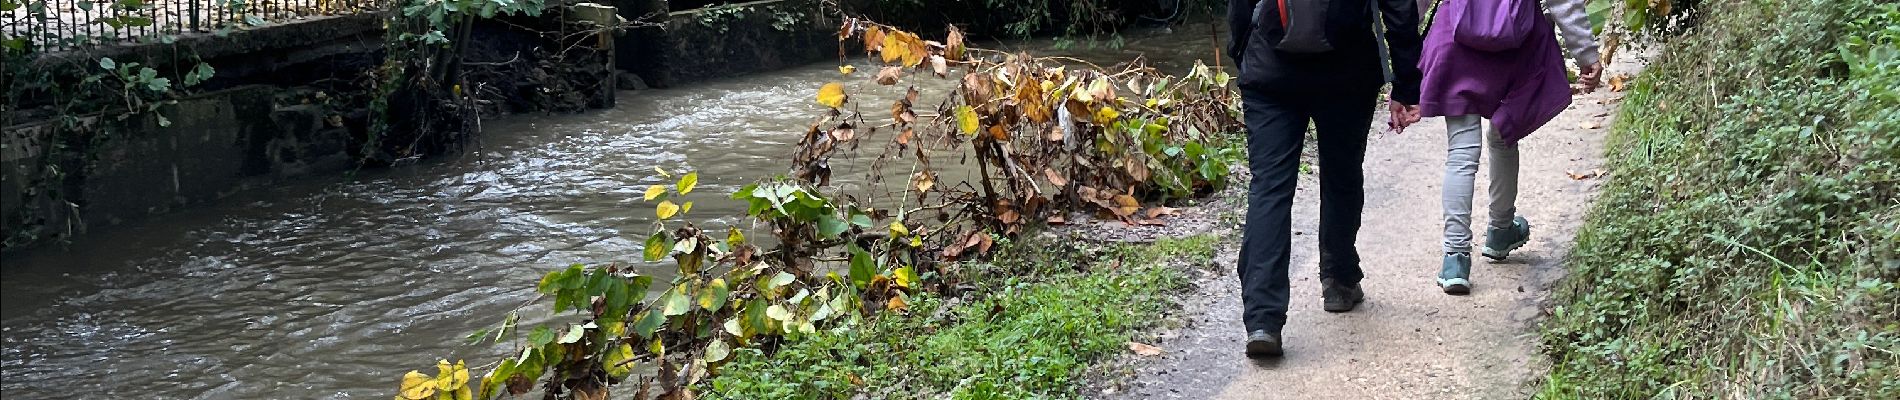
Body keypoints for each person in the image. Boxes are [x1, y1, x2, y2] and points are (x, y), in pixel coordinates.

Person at [1227, 0, 1425, 357]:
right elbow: (1399, 11)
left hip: (1270, 70)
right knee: (1343, 173)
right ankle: (1338, 279)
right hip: (1348, 70)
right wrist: (1407, 85)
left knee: (1269, 187)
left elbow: (1239, 7)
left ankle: (1262, 319)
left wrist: (1244, 51)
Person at [1416, 0, 1602, 295]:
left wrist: (1403, 55)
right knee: (1503, 136)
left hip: (1455, 41)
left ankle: (1455, 258)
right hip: (1517, 47)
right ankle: (1501, 230)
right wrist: (1585, 53)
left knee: (1462, 152)